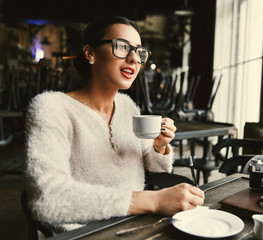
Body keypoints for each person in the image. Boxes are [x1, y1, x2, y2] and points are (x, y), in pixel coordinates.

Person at [24, 15, 205, 231]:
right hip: (86, 233)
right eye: (121, 46)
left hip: (136, 227)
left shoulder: (128, 107)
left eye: (138, 52)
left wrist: (160, 145)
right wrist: (153, 201)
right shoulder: (50, 107)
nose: (133, 59)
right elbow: (47, 198)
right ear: (90, 53)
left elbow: (156, 166)